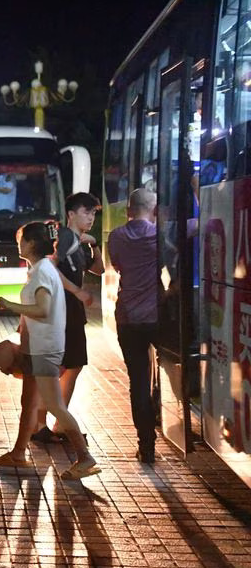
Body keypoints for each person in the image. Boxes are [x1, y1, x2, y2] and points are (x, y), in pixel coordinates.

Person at [0, 222, 100, 480]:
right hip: (38, 348)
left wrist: (10, 304)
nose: (18, 243)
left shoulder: (42, 271)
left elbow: (43, 309)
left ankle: (85, 458)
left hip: (45, 350)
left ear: (31, 243)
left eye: (21, 239)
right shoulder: (41, 269)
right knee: (29, 402)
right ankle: (19, 453)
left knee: (55, 405)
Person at [32, 193, 104, 444]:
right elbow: (50, 267)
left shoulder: (78, 241)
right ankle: (43, 425)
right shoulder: (63, 237)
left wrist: (93, 244)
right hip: (62, 311)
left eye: (94, 213)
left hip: (72, 313)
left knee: (72, 365)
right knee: (60, 367)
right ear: (71, 214)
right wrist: (77, 291)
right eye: (86, 212)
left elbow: (99, 269)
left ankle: (57, 423)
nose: (91, 217)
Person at [107, 188, 160, 464]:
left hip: (127, 317)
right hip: (157, 318)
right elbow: (202, 223)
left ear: (128, 209)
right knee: (169, 370)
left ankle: (146, 445)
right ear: (153, 208)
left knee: (138, 382)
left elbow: (116, 266)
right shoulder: (160, 233)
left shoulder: (116, 236)